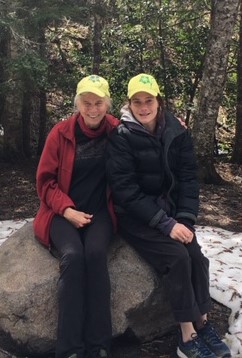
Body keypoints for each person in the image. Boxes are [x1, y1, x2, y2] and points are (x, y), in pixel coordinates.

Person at [106, 73, 231, 358]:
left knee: (197, 257)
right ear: (129, 104)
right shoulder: (122, 136)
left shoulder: (176, 130)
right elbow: (125, 191)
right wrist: (165, 224)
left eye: (148, 100)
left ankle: (203, 323)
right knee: (177, 257)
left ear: (158, 101)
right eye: (136, 101)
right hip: (136, 216)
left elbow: (188, 177)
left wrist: (185, 219)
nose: (143, 106)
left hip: (173, 214)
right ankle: (186, 336)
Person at [33, 75, 119, 358]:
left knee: (95, 255)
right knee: (73, 257)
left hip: (100, 213)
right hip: (62, 212)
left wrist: (174, 124)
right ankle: (70, 349)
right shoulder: (60, 133)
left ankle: (100, 345)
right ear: (78, 104)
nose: (92, 109)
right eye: (86, 103)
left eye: (98, 103)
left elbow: (148, 133)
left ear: (107, 104)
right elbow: (44, 181)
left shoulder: (117, 130)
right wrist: (67, 210)